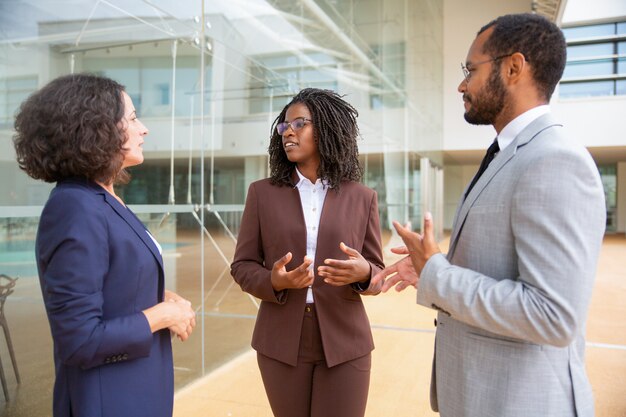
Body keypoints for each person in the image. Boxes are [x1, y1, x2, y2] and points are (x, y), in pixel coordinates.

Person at [372, 13, 605, 417]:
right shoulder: (509, 153)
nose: (461, 84)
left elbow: (552, 316)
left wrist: (438, 276)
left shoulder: (554, 160)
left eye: (470, 69)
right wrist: (433, 270)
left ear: (513, 67)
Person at [13, 73, 196, 417]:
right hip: (108, 400)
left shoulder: (102, 198)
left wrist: (160, 297)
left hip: (136, 389)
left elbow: (115, 281)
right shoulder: (75, 207)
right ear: (95, 129)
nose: (143, 129)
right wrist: (162, 314)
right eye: (132, 118)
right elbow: (80, 340)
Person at [231, 88, 384, 417]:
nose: (288, 132)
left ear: (328, 129)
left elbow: (377, 272)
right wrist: (275, 280)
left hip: (346, 342)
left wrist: (365, 274)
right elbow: (242, 265)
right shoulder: (261, 194)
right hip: (281, 342)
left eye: (299, 124)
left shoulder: (362, 197)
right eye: (284, 126)